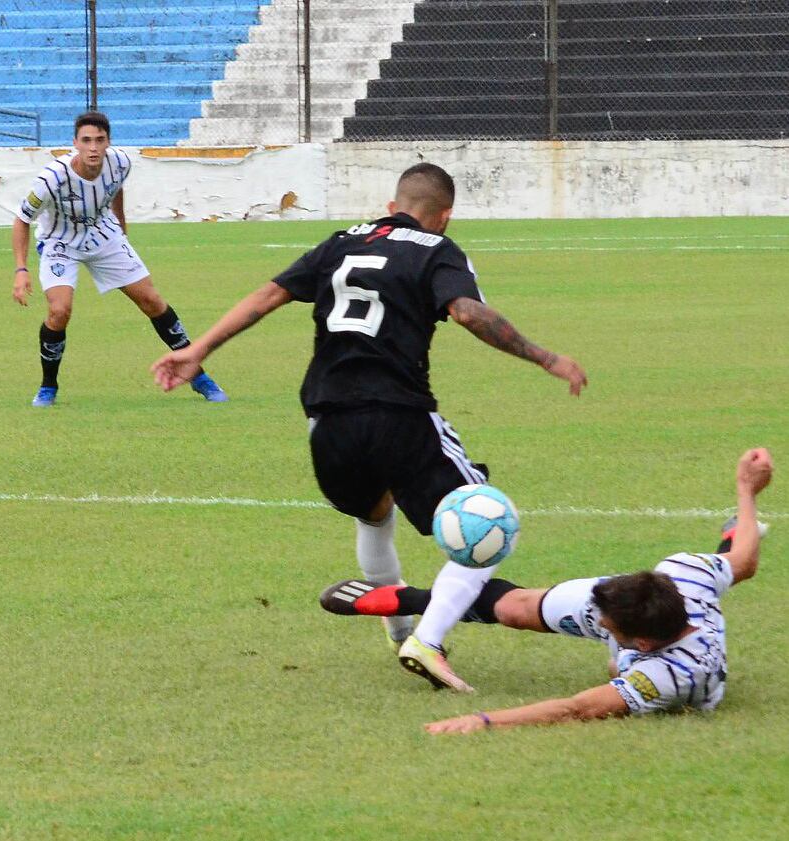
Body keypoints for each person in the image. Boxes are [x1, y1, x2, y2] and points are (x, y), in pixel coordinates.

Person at [152, 163, 587, 692]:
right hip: (399, 415)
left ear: (391, 205)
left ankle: (399, 628)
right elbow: (470, 313)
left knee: (373, 515)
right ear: (444, 216)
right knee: (487, 524)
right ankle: (427, 638)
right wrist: (545, 358)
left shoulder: (340, 242)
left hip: (326, 420)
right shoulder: (436, 248)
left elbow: (267, 296)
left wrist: (196, 350)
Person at [322, 448, 773, 733]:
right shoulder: (682, 575)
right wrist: (746, 490)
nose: (597, 624)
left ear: (639, 644)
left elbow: (575, 709)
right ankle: (408, 600)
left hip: (671, 663)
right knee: (516, 608)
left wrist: (481, 721)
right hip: (653, 609)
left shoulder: (667, 678)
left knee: (603, 665)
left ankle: (406, 601)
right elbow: (746, 563)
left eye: (605, 625)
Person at [12, 110, 227, 406]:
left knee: (151, 300)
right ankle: (48, 386)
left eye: (99, 140)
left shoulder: (121, 163)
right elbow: (21, 219)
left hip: (103, 234)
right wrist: (21, 270)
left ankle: (199, 375)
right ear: (74, 142)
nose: (93, 147)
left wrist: (121, 233)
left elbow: (115, 190)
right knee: (59, 311)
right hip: (60, 241)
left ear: (108, 142)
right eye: (86, 140)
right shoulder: (51, 179)